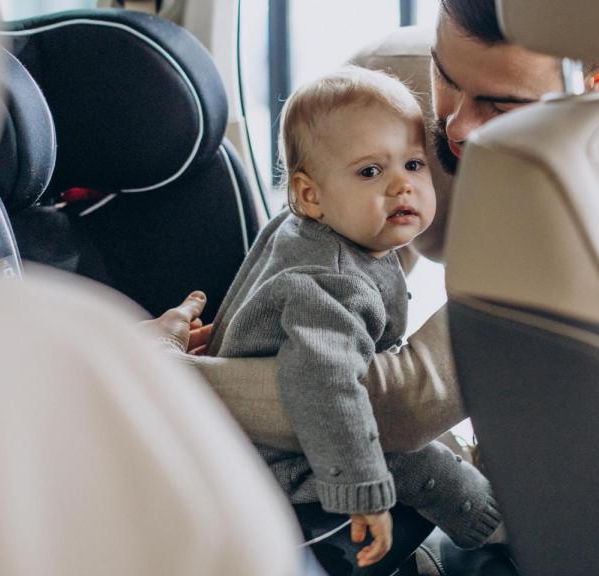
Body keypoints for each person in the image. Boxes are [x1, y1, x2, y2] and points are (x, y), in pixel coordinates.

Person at [151, 0, 599, 457]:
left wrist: (150, 372)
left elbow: (400, 406)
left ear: (595, 81)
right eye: (446, 77)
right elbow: (328, 276)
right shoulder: (387, 84)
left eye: (500, 105)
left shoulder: (588, 198)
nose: (455, 126)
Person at [205, 66, 502, 569]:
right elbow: (325, 383)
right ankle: (491, 527)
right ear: (310, 195)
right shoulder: (329, 281)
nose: (401, 187)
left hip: (276, 437)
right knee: (418, 460)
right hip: (284, 461)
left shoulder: (307, 229)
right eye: (370, 171)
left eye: (413, 164)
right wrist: (362, 492)